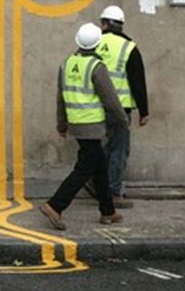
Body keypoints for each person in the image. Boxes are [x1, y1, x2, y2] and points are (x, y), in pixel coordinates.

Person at [39, 22, 130, 230]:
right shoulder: (97, 66)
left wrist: (62, 124)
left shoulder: (67, 64)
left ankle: (108, 211)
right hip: (92, 125)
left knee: (99, 167)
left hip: (76, 124)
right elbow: (111, 100)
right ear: (97, 44)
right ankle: (55, 205)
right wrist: (123, 122)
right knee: (84, 169)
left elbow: (60, 97)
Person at [96, 4, 149, 208]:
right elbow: (137, 81)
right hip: (120, 109)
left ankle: (98, 185)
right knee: (118, 150)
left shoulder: (93, 43)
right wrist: (143, 111)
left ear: (105, 24)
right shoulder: (129, 47)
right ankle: (113, 193)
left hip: (93, 107)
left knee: (98, 149)